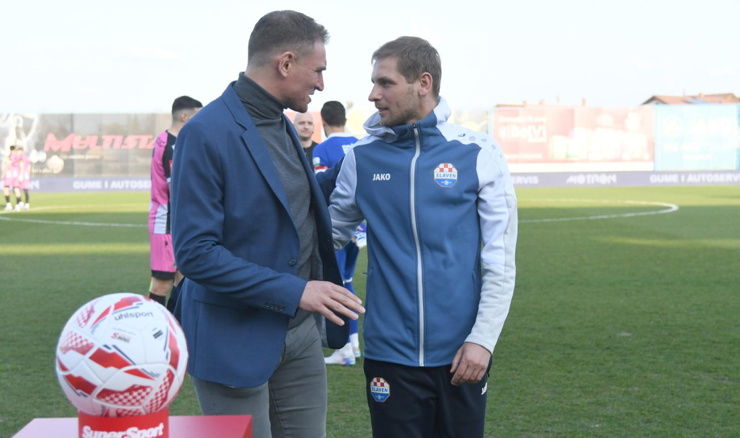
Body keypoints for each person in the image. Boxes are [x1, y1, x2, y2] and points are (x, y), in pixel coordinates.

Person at [169, 10, 365, 438]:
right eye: (318, 70)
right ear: (286, 63)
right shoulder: (205, 132)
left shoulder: (281, 122)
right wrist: (297, 291)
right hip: (233, 338)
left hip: (299, 334)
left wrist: (361, 162)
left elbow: (292, 199)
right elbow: (196, 254)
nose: (322, 84)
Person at [328, 36, 518, 437]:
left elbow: (500, 259)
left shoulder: (478, 152)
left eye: (385, 83)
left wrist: (482, 340)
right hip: (388, 354)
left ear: (423, 83)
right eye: (374, 83)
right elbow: (330, 237)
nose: (373, 94)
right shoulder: (361, 157)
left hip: (462, 354)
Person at [313, 101, 362, 365]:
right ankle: (353, 343)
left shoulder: (323, 149)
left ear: (323, 121)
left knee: (336, 283)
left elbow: (320, 193)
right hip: (360, 228)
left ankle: (343, 348)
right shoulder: (360, 143)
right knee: (348, 280)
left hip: (337, 226)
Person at [147, 96, 203, 308]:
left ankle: (178, 325)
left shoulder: (166, 139)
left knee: (183, 280)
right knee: (162, 284)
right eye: (197, 116)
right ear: (184, 116)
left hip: (177, 221)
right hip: (166, 223)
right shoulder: (171, 146)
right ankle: (154, 323)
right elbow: (176, 189)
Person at [2, 145, 22, 211]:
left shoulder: (10, 156)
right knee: (16, 189)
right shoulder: (19, 157)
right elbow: (21, 165)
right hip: (16, 174)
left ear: (11, 150)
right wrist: (21, 174)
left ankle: (8, 205)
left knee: (6, 188)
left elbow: (8, 164)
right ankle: (18, 205)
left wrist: (3, 174)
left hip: (10, 174)